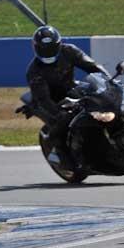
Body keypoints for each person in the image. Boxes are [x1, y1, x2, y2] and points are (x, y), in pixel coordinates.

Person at [25, 25, 111, 170]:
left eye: (51, 48)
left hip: (72, 88)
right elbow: (44, 99)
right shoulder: (34, 71)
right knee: (62, 121)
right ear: (36, 47)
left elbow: (92, 66)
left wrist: (109, 80)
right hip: (52, 100)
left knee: (103, 98)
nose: (48, 52)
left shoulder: (69, 51)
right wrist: (59, 113)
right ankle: (58, 154)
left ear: (58, 44)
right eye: (44, 49)